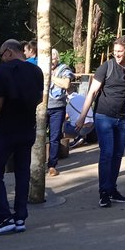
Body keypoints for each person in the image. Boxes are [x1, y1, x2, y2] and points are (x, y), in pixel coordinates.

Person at [74, 36, 125, 208]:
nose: (116, 55)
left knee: (117, 155)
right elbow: (92, 92)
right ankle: (103, 192)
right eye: (114, 51)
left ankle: (112, 189)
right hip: (103, 117)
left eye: (120, 52)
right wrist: (82, 116)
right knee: (107, 153)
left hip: (122, 118)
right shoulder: (106, 67)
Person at [0, 38, 44, 236]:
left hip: (7, 129)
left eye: (1, 54)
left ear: (8, 52)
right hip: (27, 128)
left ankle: (3, 217)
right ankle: (19, 216)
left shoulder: (2, 71)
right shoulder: (36, 71)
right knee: (22, 172)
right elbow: (40, 98)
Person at [46, 48, 73, 177]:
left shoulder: (64, 69)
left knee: (55, 137)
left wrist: (50, 77)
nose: (51, 61)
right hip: (41, 106)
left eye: (53, 58)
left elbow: (66, 84)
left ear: (57, 59)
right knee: (35, 136)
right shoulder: (39, 67)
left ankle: (52, 165)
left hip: (57, 107)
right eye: (49, 58)